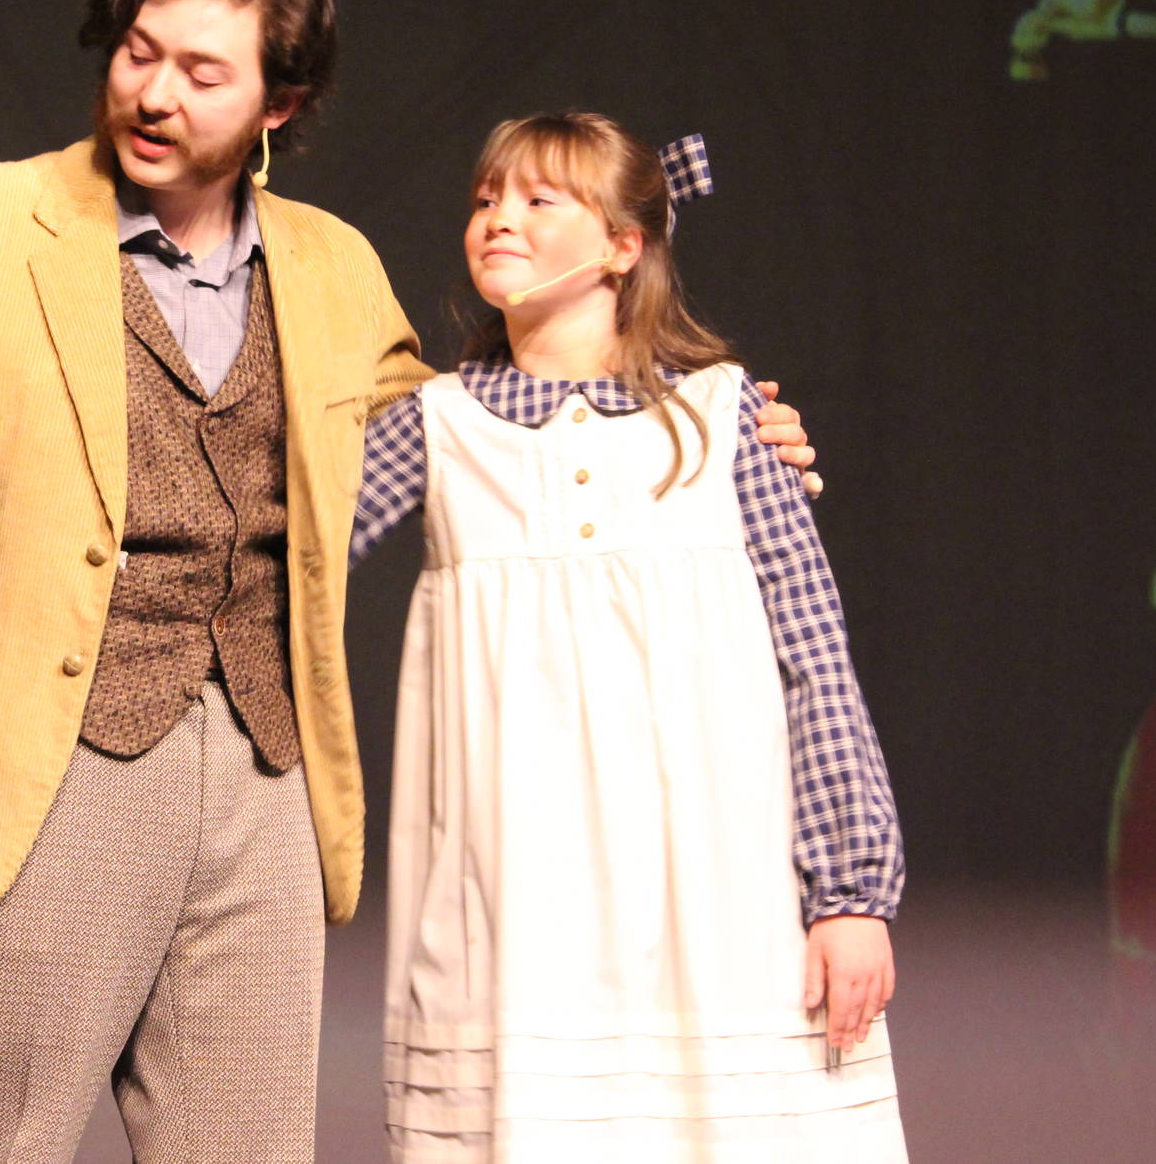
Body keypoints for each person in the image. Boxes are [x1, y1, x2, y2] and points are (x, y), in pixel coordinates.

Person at [0, 0, 817, 1163]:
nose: (151, 92)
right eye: (140, 52)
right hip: (62, 760)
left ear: (276, 105)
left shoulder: (330, 267)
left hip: (266, 772)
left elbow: (478, 431)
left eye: (202, 73)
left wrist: (707, 428)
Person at [353, 112, 904, 1161]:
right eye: (483, 199)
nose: (496, 219)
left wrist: (848, 893)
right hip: (514, 904)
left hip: (717, 902)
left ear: (622, 244)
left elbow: (810, 655)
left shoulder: (718, 418)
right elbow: (294, 549)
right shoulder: (439, 425)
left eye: (535, 199)